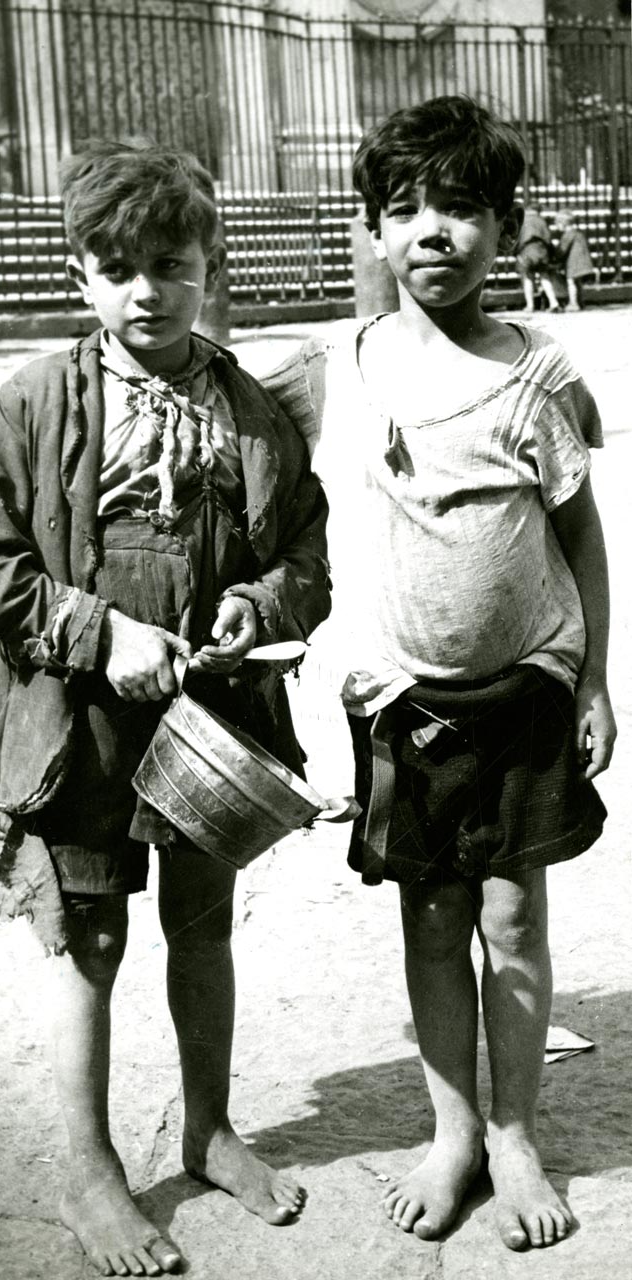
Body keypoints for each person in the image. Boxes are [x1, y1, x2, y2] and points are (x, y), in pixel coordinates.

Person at [0, 141, 331, 1277]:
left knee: (202, 924)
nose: (145, 291)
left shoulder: (253, 407)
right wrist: (98, 633)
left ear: (209, 269)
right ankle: (88, 1166)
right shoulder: (35, 400)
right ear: (81, 276)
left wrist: (255, 605)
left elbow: (307, 554)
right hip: (80, 722)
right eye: (116, 268)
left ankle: (210, 1127)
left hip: (211, 719)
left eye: (170, 264)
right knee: (92, 936)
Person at [265, 96, 616, 1252]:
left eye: (462, 208)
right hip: (403, 701)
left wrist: (596, 680)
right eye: (404, 208)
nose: (433, 232)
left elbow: (581, 537)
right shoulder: (347, 369)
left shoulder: (538, 376)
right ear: (369, 230)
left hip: (523, 689)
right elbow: (276, 484)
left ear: (507, 228)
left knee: (512, 917)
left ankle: (515, 1127)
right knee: (431, 917)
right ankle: (454, 1126)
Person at [515, 205, 560, 313]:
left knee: (527, 278)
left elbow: (517, 237)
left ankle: (530, 305)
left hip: (526, 251)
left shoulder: (522, 221)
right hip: (541, 251)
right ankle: (554, 302)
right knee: (544, 277)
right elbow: (548, 238)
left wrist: (516, 252)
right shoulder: (542, 221)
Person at [554, 210, 597, 311]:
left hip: (574, 263)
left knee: (571, 282)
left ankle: (573, 303)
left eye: (557, 224)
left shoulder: (568, 235)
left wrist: (556, 256)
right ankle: (580, 301)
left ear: (563, 223)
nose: (557, 227)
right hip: (582, 261)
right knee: (578, 283)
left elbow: (562, 250)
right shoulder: (578, 233)